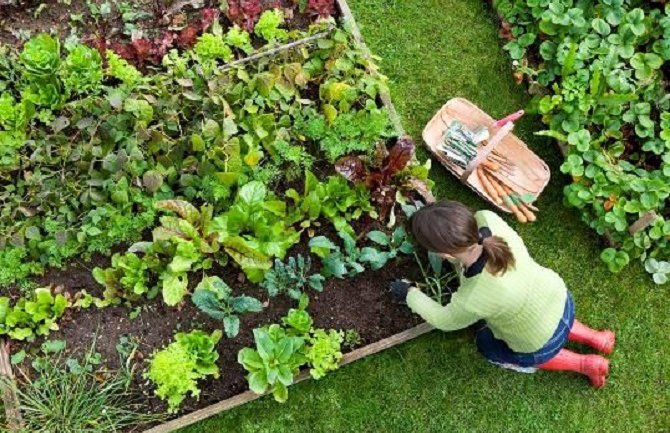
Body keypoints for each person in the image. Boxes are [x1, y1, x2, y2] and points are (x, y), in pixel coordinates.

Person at [390, 201, 615, 388]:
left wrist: (409, 293)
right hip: (559, 299)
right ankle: (597, 338)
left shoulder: (473, 297)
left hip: (537, 342)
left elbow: (444, 320)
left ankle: (585, 364)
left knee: (487, 345)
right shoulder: (488, 220)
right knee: (547, 317)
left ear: (444, 254)